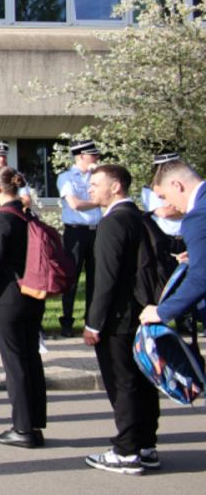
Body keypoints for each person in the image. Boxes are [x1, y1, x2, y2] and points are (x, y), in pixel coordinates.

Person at [82, 164, 160, 475]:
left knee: (123, 384)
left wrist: (93, 323)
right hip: (143, 313)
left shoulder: (113, 222)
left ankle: (126, 452)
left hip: (118, 318)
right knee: (142, 382)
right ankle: (146, 445)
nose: (90, 189)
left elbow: (107, 278)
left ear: (116, 187)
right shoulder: (141, 218)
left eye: (96, 183)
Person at [0, 166, 46, 449]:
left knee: (15, 364)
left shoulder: (1, 219)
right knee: (31, 361)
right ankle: (34, 425)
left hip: (9, 299)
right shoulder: (29, 216)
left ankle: (22, 428)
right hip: (33, 295)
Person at [141, 158, 206, 329]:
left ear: (176, 185)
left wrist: (163, 311)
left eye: (163, 196)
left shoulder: (197, 217)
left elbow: (201, 276)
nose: (167, 204)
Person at [57, 139, 102, 337]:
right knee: (71, 278)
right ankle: (67, 322)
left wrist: (101, 172)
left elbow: (113, 190)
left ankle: (91, 322)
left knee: (96, 279)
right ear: (82, 156)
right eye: (94, 155)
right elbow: (74, 203)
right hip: (75, 232)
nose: (97, 157)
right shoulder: (66, 177)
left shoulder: (98, 176)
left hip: (97, 231)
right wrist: (98, 201)